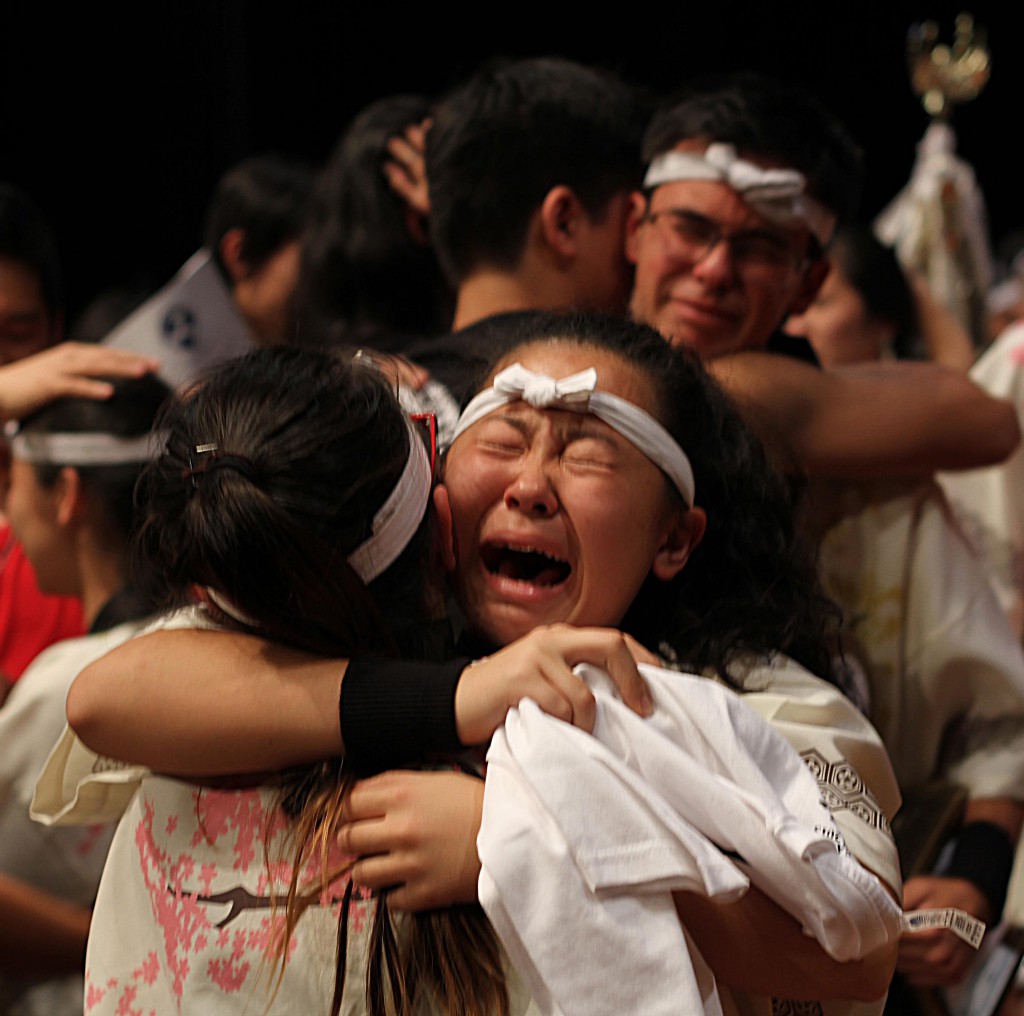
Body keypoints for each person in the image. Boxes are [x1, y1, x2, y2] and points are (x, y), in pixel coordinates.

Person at [62, 313, 904, 1014]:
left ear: (674, 537)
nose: (532, 485)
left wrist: (527, 844)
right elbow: (111, 696)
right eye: (502, 438)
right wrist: (460, 696)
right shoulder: (323, 649)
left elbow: (855, 951)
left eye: (588, 455)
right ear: (436, 497)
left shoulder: (752, 705)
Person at [784, 232, 1024, 999]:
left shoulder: (890, 500)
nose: (797, 322)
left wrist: (979, 874)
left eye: (815, 297)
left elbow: (994, 724)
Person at [623, 74, 1018, 476]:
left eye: (758, 249)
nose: (714, 270)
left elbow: (993, 424)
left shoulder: (775, 400)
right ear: (634, 230)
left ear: (808, 285)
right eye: (690, 228)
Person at [0, 371, 169, 1016]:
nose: (9, 509)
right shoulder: (219, 647)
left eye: (12, 482)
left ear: (66, 494)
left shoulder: (69, 688)